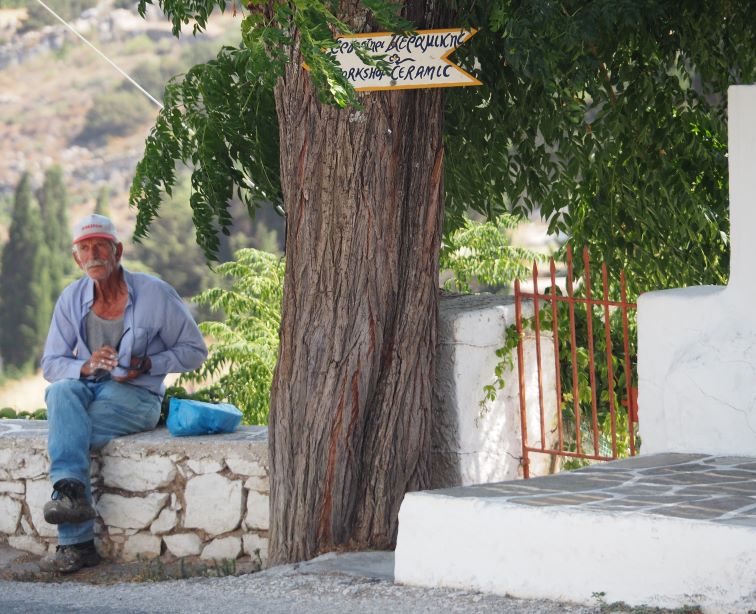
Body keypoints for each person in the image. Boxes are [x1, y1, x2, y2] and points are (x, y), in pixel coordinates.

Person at [39, 213, 208, 573]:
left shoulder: (155, 293)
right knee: (60, 394)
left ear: (117, 250)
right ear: (76, 258)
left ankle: (76, 543)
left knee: (69, 435)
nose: (93, 253)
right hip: (89, 388)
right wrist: (85, 365)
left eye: (100, 245)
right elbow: (51, 364)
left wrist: (148, 364)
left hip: (136, 396)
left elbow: (195, 351)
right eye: (84, 248)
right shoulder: (71, 299)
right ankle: (71, 494)